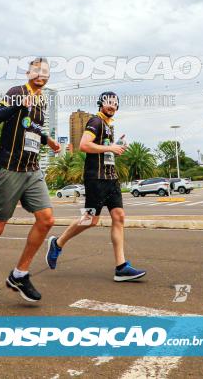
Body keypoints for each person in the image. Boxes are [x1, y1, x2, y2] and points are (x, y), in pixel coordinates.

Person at [0, 57, 61, 308]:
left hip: (32, 168)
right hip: (9, 167)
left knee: (47, 219)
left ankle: (19, 274)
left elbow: (32, 127)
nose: (42, 74)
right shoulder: (16, 93)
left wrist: (47, 140)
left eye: (46, 72)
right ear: (28, 72)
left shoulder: (41, 100)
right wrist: (18, 106)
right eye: (37, 70)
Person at [45, 92, 146, 281]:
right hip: (96, 179)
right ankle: (57, 243)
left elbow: (102, 151)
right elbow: (84, 145)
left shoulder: (108, 127)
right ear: (101, 104)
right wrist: (110, 148)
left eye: (115, 103)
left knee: (119, 216)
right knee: (90, 220)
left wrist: (116, 148)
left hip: (111, 178)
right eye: (108, 103)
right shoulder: (95, 121)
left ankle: (121, 267)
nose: (112, 106)